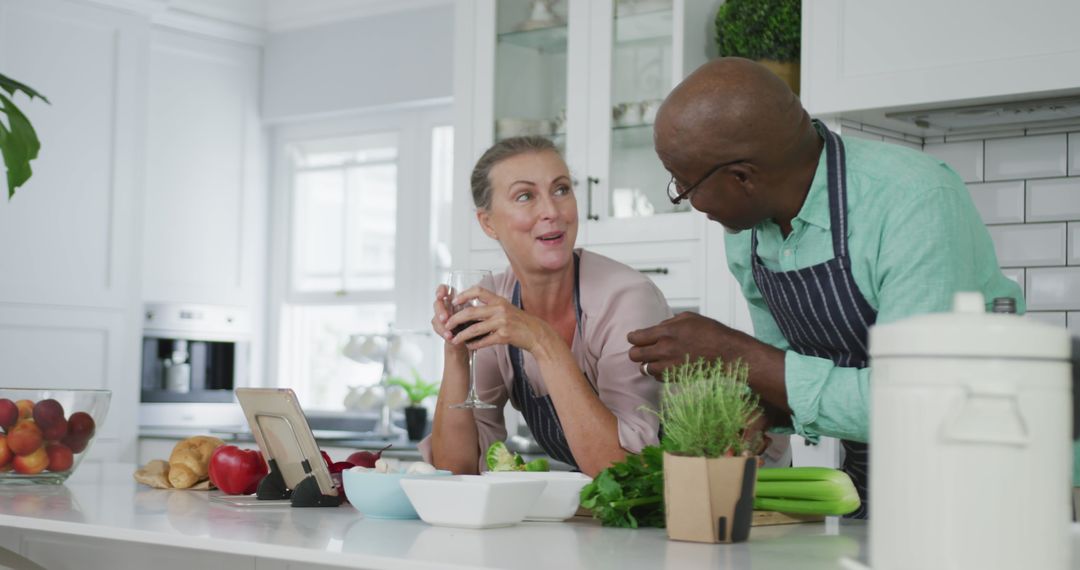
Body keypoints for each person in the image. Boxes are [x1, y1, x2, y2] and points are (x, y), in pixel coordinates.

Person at [626, 58, 1023, 518]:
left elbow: (921, 401)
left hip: (983, 484)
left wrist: (732, 353)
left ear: (743, 177)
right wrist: (754, 412)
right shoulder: (749, 232)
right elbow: (784, 379)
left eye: (684, 183)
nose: (686, 199)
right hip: (868, 484)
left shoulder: (914, 203)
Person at [422, 136, 671, 477]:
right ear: (488, 223)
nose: (552, 212)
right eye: (525, 196)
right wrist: (456, 354)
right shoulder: (495, 298)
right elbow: (455, 469)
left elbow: (625, 471)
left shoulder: (626, 298)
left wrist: (541, 340)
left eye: (561, 189)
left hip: (688, 504)